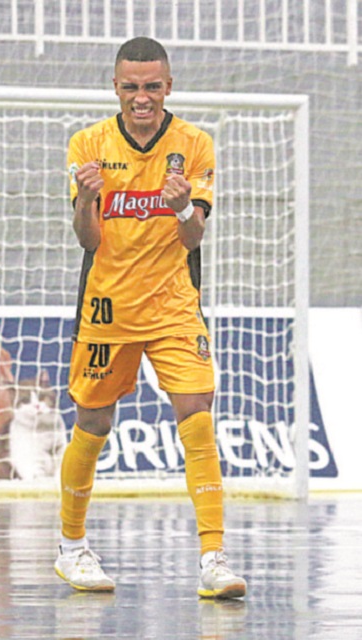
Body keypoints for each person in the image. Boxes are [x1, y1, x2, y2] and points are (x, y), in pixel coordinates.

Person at [54, 36, 247, 600]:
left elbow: (194, 235)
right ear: (115, 87)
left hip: (173, 304)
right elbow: (87, 240)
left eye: (153, 86)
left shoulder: (195, 144)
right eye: (132, 87)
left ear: (169, 86)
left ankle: (213, 557)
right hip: (108, 306)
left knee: (198, 413)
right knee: (93, 424)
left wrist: (183, 202)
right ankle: (71, 548)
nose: (142, 98)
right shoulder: (88, 144)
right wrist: (88, 200)